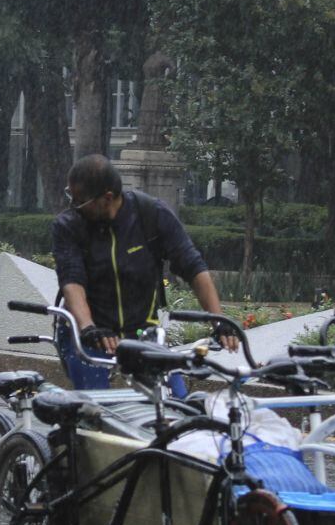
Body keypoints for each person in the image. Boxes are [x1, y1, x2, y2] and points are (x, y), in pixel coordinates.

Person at [49, 153, 235, 390]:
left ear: (107, 198)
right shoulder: (68, 225)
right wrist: (88, 327)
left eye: (80, 201)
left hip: (141, 333)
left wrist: (219, 322)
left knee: (177, 402)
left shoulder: (150, 214)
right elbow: (72, 280)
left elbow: (193, 266)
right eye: (71, 197)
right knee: (98, 411)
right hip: (89, 334)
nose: (73, 206)